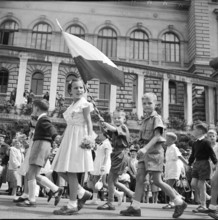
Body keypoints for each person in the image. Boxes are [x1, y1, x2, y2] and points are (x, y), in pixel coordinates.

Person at [120, 92, 187, 218]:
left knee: (157, 180)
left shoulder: (157, 118)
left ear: (155, 104)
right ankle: (135, 207)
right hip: (144, 153)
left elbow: (157, 136)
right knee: (140, 178)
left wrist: (145, 149)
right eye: (144, 103)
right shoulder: (145, 119)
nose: (147, 106)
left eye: (150, 103)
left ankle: (179, 202)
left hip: (154, 152)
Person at [51, 77, 95, 215]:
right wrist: (61, 138)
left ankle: (72, 204)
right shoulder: (71, 106)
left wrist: (89, 138)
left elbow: (89, 122)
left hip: (79, 138)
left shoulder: (85, 104)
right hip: (69, 138)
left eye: (81, 87)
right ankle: (82, 192)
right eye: (75, 88)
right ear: (70, 91)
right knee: (59, 168)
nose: (79, 90)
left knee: (71, 171)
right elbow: (69, 125)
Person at [16, 99, 63, 207]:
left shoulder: (43, 119)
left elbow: (50, 128)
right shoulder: (41, 119)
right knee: (32, 174)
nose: (32, 110)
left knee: (31, 174)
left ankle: (31, 200)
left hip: (41, 145)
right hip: (41, 145)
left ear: (36, 108)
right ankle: (56, 189)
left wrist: (55, 136)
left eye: (33, 107)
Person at [97, 109, 134, 211]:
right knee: (115, 180)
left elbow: (113, 129)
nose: (117, 119)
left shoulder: (123, 127)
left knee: (110, 180)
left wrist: (106, 123)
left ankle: (110, 202)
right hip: (117, 154)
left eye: (119, 118)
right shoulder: (116, 128)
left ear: (124, 119)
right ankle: (133, 195)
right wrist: (101, 124)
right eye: (115, 118)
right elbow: (106, 132)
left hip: (121, 154)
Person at [188, 123, 217, 213]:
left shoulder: (206, 142)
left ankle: (203, 205)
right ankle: (207, 197)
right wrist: (189, 163)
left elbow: (211, 153)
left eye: (194, 130)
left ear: (200, 131)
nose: (193, 131)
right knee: (193, 184)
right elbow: (193, 154)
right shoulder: (195, 143)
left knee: (201, 184)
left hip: (204, 163)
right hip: (197, 163)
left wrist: (216, 163)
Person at [162, 132, 188, 209]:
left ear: (171, 140)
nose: (165, 140)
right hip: (168, 168)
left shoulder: (174, 148)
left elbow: (180, 156)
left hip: (174, 169)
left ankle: (172, 202)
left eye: (166, 139)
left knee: (169, 186)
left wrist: (188, 164)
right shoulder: (168, 148)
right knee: (167, 186)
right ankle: (178, 196)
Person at [197, 129, 218, 219]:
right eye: (209, 135)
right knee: (214, 183)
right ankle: (212, 208)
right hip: (211, 168)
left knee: (214, 183)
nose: (211, 137)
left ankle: (212, 207)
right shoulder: (206, 146)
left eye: (213, 135)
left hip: (216, 166)